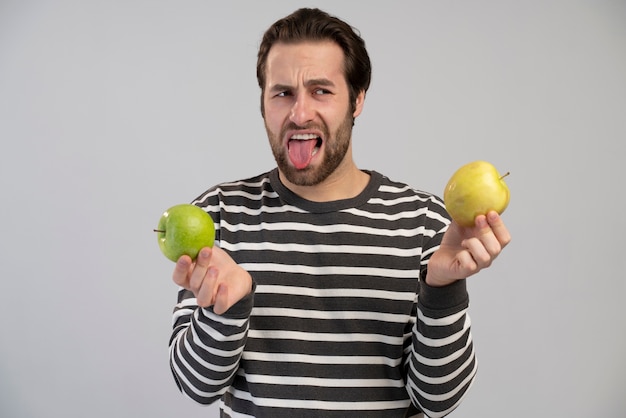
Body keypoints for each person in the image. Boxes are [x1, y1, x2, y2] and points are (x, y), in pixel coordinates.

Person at [168, 7, 511, 418]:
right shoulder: (219, 213)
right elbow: (196, 386)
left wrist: (442, 288)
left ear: (357, 100)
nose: (299, 113)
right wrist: (226, 309)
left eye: (321, 91)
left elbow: (438, 400)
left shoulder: (426, 222)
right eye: (282, 93)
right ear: (262, 104)